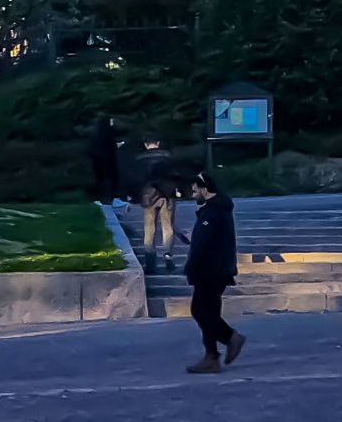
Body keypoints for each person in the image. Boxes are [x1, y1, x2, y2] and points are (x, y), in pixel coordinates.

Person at [184, 170, 244, 374]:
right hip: (216, 269)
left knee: (200, 311)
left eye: (194, 191)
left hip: (211, 270)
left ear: (204, 189)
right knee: (207, 311)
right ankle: (213, 355)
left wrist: (190, 267)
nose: (193, 194)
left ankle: (228, 341)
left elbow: (204, 243)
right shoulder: (216, 209)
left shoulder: (213, 211)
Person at [128, 137, 183, 274]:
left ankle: (150, 264)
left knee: (149, 229)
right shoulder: (168, 156)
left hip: (148, 196)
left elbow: (135, 179)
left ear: (145, 145)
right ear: (158, 143)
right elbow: (176, 175)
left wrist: (134, 195)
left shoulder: (139, 159)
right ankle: (168, 256)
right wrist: (177, 190)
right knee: (168, 227)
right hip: (167, 195)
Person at [87, 114, 120, 204]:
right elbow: (111, 145)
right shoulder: (108, 132)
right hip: (108, 160)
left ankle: (100, 197)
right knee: (108, 179)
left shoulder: (94, 132)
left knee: (100, 179)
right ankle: (109, 198)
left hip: (97, 160)